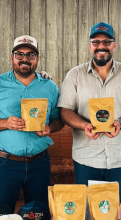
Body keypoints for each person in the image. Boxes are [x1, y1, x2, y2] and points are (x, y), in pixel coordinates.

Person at [57, 22, 121, 202]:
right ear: (90, 46)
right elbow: (65, 111)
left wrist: (120, 123)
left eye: (107, 42)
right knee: (90, 212)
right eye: (96, 42)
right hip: (86, 160)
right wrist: (84, 125)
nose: (101, 46)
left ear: (114, 45)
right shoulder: (75, 75)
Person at [0, 35, 64, 212]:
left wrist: (50, 128)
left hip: (39, 163)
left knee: (37, 213)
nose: (25, 59)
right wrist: (5, 123)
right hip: (6, 163)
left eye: (31, 55)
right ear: (12, 57)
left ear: (38, 59)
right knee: (2, 213)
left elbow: (58, 119)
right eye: (19, 54)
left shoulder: (49, 86)